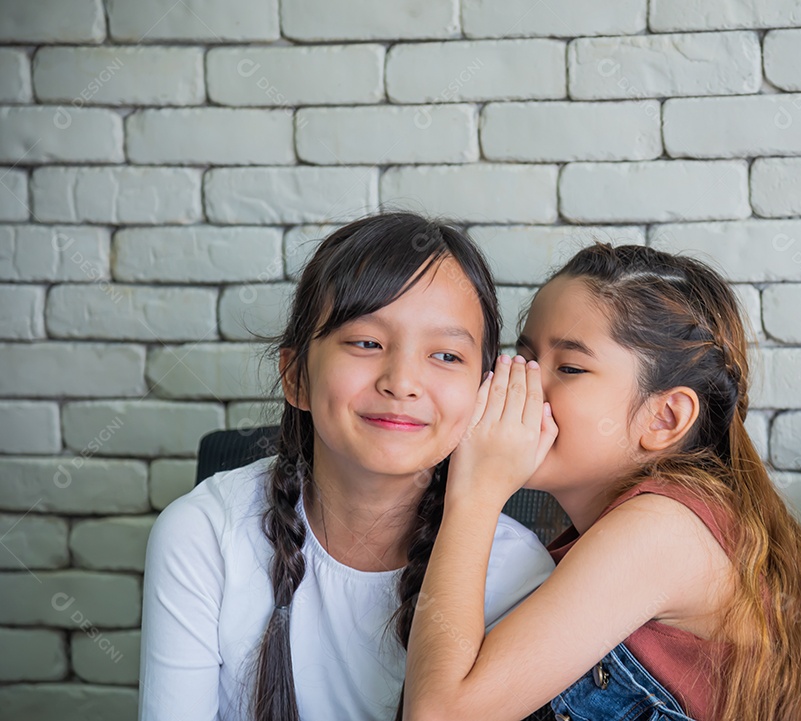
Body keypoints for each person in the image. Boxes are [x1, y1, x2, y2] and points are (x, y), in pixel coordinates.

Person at [403, 244, 801, 721]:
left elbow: (441, 713)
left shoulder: (660, 531)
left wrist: (476, 493)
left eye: (569, 367)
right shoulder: (619, 528)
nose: (520, 384)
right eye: (524, 357)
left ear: (664, 418)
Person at [139, 213, 554, 721]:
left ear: (484, 393)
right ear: (296, 376)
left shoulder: (521, 574)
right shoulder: (202, 534)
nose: (402, 381)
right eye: (366, 343)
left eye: (445, 355)